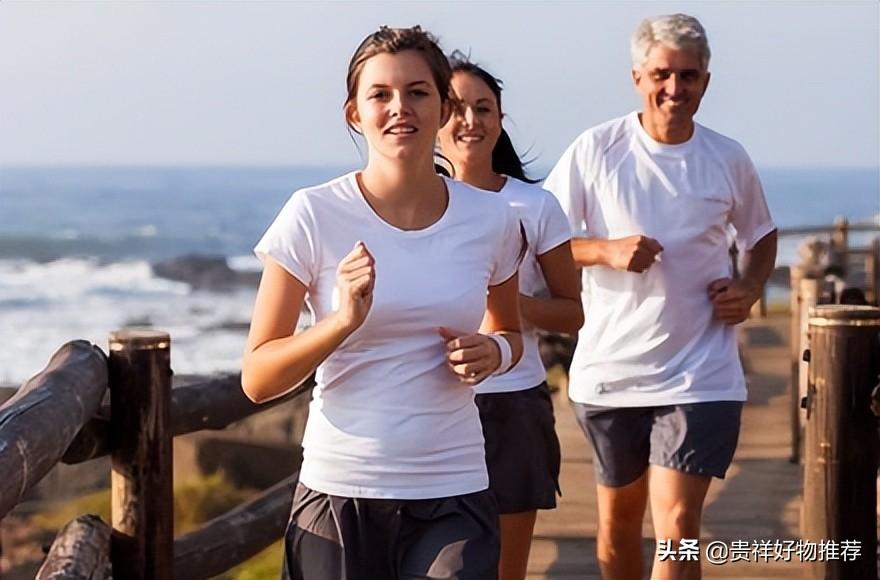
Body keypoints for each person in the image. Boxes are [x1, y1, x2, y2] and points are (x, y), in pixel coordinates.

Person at [242, 26, 526, 580]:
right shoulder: (312, 214)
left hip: (454, 488)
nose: (401, 108)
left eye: (418, 92)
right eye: (381, 94)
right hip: (340, 489)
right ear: (355, 113)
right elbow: (257, 377)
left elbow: (511, 333)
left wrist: (495, 351)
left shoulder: (491, 220)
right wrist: (342, 321)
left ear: (444, 107)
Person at [543, 14, 778, 580]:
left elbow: (762, 236)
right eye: (662, 75)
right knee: (619, 526)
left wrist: (747, 287)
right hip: (611, 369)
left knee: (677, 529)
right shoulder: (597, 150)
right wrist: (605, 250)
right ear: (637, 77)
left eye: (689, 76)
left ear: (706, 80)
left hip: (701, 372)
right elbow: (542, 239)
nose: (675, 89)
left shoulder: (727, 158)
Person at [436, 53, 582, 580]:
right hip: (430, 409)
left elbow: (572, 313)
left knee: (504, 571)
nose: (470, 120)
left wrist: (505, 303)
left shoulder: (535, 207)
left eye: (484, 108)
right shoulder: (408, 206)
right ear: (430, 117)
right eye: (455, 107)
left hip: (512, 408)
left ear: (500, 121)